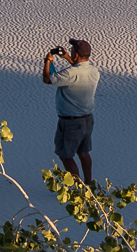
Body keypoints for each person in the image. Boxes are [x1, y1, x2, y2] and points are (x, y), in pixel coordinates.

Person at [40, 39, 102, 186]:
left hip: (71, 122)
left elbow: (47, 79)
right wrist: (67, 57)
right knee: (83, 152)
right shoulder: (94, 71)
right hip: (87, 120)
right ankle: (88, 183)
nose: (70, 51)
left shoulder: (70, 73)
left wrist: (48, 62)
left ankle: (79, 187)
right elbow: (77, 68)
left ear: (76, 55)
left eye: (72, 50)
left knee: (65, 155)